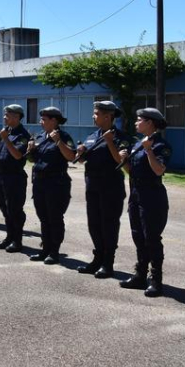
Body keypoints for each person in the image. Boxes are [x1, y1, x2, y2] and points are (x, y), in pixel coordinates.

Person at [120, 108, 172, 297]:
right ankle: (140, 275)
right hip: (136, 195)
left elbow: (159, 170)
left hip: (152, 197)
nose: (136, 123)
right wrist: (124, 160)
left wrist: (149, 149)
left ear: (150, 122)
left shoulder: (160, 145)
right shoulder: (137, 144)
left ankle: (156, 280)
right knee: (138, 236)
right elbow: (131, 172)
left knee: (151, 238)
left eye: (139, 119)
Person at [76, 101, 130, 278]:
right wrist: (81, 151)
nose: (93, 116)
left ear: (108, 116)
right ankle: (97, 258)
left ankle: (108, 262)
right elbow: (83, 160)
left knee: (109, 225)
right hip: (92, 186)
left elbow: (120, 162)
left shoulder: (119, 137)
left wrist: (110, 143)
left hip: (111, 188)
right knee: (94, 224)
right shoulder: (92, 136)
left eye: (96, 113)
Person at [27, 107, 76, 265]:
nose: (41, 122)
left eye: (44, 119)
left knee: (54, 217)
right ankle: (45, 248)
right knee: (43, 217)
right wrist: (31, 150)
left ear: (54, 120)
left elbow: (71, 156)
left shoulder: (64, 136)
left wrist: (58, 142)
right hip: (40, 182)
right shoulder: (41, 136)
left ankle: (54, 251)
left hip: (56, 183)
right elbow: (35, 160)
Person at [0, 105, 30, 253]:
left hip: (15, 177)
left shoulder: (22, 135)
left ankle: (17, 240)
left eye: (7, 115)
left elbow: (17, 155)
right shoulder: (7, 132)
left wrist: (5, 139)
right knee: (5, 208)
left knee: (15, 210)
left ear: (16, 117)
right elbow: (0, 153)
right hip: (2, 175)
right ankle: (9, 237)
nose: (4, 118)